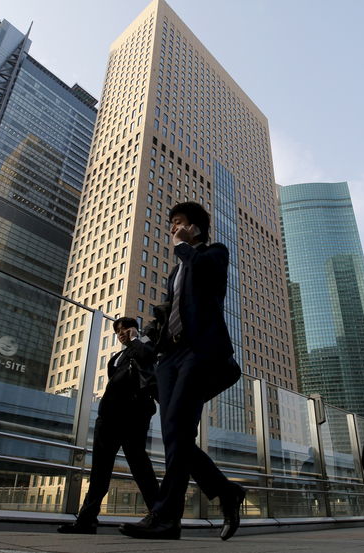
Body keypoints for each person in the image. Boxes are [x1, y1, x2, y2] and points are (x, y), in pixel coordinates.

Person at [119, 202, 245, 541]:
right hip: (170, 357)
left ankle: (165, 517)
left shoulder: (212, 253)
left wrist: (185, 248)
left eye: (178, 222)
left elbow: (209, 274)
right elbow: (167, 314)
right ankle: (222, 491)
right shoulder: (175, 273)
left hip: (198, 351)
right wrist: (142, 343)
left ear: (195, 227)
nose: (172, 228)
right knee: (175, 435)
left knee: (177, 430)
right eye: (171, 224)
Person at [57, 317, 159, 534]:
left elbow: (147, 357)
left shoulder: (143, 346)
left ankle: (159, 515)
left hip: (134, 417)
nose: (121, 333)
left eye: (125, 329)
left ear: (135, 330)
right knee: (99, 470)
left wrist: (135, 339)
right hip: (108, 418)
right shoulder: (117, 357)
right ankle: (86, 520)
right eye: (118, 331)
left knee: (140, 466)